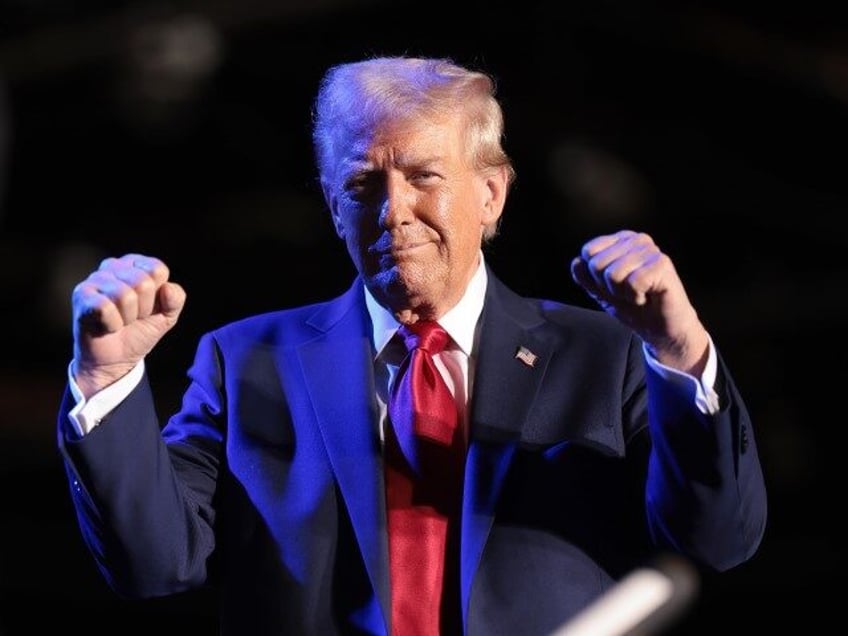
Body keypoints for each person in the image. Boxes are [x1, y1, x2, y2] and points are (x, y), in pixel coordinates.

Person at [57, 56, 767, 635]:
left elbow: (716, 541)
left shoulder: (606, 357)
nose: (394, 211)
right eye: (363, 183)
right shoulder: (246, 363)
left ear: (490, 195)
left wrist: (680, 355)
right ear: (335, 208)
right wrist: (107, 377)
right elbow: (153, 564)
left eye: (424, 176)